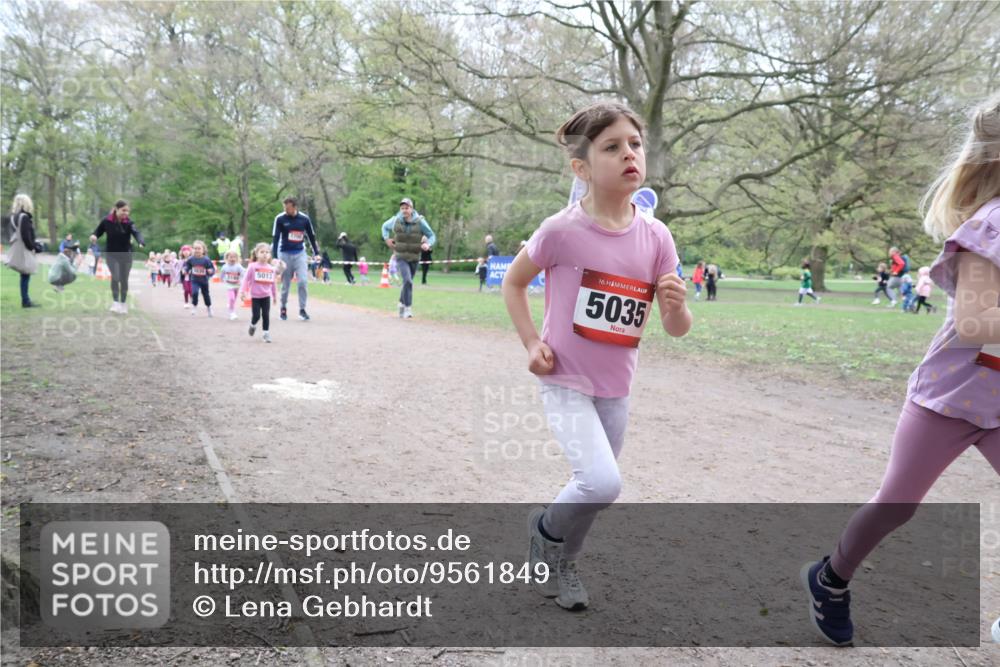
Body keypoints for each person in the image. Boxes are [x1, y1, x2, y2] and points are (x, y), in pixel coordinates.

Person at [801, 92, 1000, 648]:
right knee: (897, 505)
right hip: (949, 400)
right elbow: (977, 321)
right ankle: (830, 578)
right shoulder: (992, 225)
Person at [502, 102, 691, 611]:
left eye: (634, 143)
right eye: (612, 147)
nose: (629, 153)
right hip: (564, 379)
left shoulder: (656, 236)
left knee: (591, 494)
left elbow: (676, 329)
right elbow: (514, 282)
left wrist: (676, 307)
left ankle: (563, 562)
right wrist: (530, 342)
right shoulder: (560, 230)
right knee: (602, 482)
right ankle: (543, 531)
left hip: (616, 389)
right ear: (581, 167)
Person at [381, 197, 436, 318]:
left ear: (411, 209)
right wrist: (386, 238)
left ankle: (400, 303)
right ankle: (408, 308)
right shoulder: (395, 220)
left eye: (407, 208)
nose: (404, 210)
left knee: (407, 283)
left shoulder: (420, 222)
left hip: (415, 257)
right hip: (400, 256)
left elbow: (432, 235)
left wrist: (428, 244)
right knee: (408, 281)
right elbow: (384, 227)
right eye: (402, 208)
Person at [91, 199, 144, 314]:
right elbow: (97, 231)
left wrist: (140, 241)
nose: (126, 213)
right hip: (111, 254)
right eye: (123, 210)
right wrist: (94, 236)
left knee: (124, 279)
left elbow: (137, 233)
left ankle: (123, 303)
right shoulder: (106, 221)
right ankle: (115, 303)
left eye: (127, 211)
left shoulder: (129, 223)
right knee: (115, 276)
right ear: (116, 209)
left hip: (126, 254)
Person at [271, 197, 320, 321]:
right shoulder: (280, 218)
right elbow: (276, 238)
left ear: (294, 207)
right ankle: (283, 308)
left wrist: (316, 252)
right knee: (285, 284)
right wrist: (275, 257)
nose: (286, 210)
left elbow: (311, 236)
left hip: (300, 253)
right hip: (284, 254)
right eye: (284, 208)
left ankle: (302, 310)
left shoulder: (304, 219)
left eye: (288, 208)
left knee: (303, 281)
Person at [4, 194, 39, 308]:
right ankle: (26, 301)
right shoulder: (24, 217)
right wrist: (33, 247)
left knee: (24, 275)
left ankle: (26, 299)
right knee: (26, 274)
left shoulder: (14, 217)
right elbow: (25, 235)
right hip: (24, 248)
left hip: (18, 247)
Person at [241, 243, 277, 343]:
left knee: (266, 315)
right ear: (257, 254)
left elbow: (273, 283)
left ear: (270, 255)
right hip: (256, 296)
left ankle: (266, 334)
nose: (265, 254)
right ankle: (252, 325)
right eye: (262, 252)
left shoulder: (271, 269)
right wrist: (243, 292)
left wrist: (274, 296)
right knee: (256, 316)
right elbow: (245, 280)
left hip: (266, 296)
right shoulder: (252, 267)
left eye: (267, 252)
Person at [184, 240, 215, 317]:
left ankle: (209, 307)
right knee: (194, 293)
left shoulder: (206, 259)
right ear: (192, 249)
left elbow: (212, 268)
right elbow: (187, 266)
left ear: (203, 250)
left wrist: (211, 271)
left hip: (204, 280)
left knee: (206, 295)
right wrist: (185, 270)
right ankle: (194, 306)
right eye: (195, 248)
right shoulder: (191, 259)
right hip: (194, 280)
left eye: (199, 248)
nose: (197, 250)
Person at [218, 250, 246, 320]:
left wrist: (241, 281)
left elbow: (243, 275)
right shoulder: (225, 267)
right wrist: (223, 279)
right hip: (229, 285)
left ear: (237, 258)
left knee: (234, 299)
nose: (232, 259)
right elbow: (222, 275)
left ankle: (230, 305)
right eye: (230, 257)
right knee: (232, 298)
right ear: (227, 258)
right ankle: (232, 313)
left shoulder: (239, 266)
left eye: (234, 257)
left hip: (237, 285)